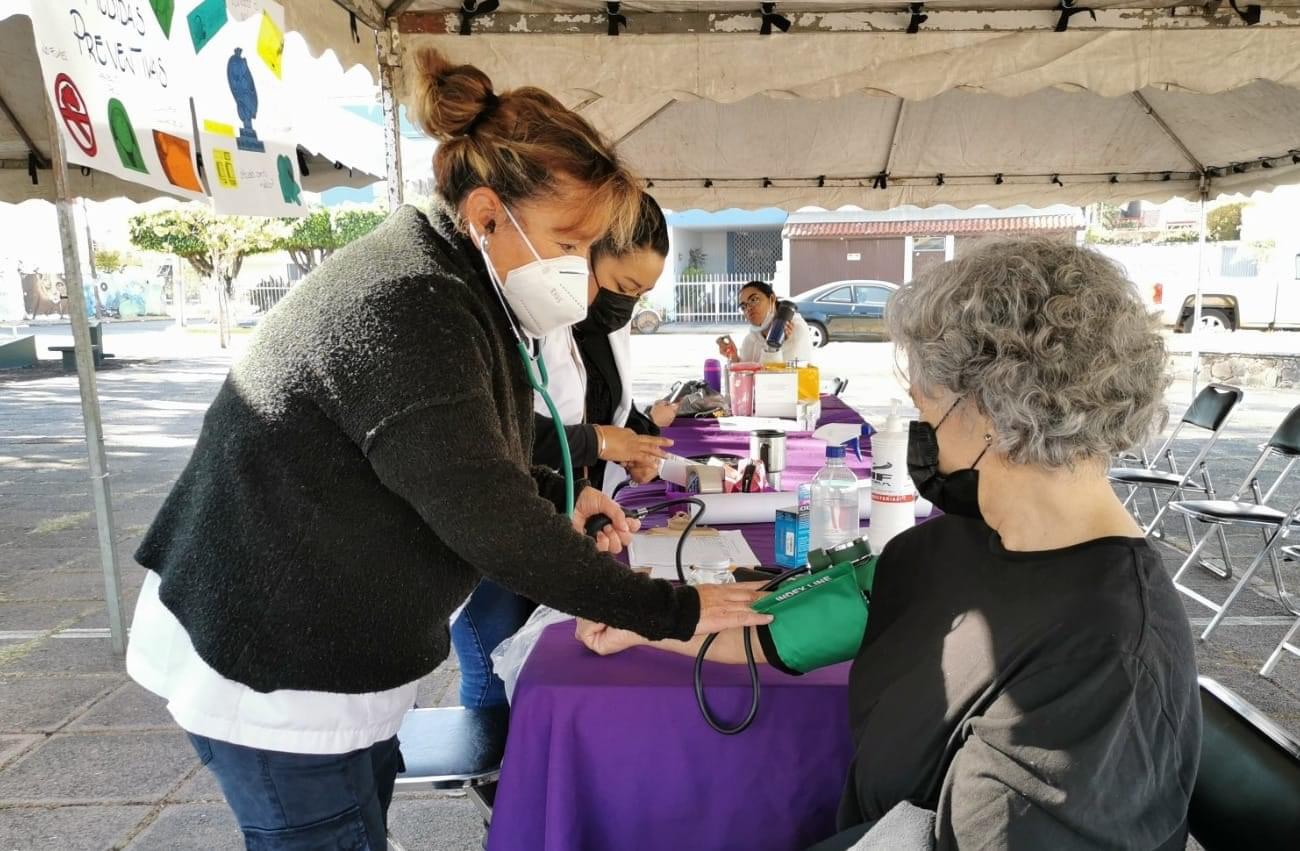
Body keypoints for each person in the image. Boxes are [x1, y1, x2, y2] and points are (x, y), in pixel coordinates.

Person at [124, 49, 770, 851]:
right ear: (488, 212)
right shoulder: (410, 299)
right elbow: (484, 509)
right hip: (274, 656)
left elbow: (474, 434)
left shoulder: (461, 283)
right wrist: (672, 611)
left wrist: (558, 483)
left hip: (336, 646)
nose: (583, 272)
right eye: (570, 239)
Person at [580, 237, 1200, 850]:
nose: (920, 432)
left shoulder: (1109, 658)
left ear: (990, 409)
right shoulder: (947, 547)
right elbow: (784, 623)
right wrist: (644, 619)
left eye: (927, 413)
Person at [451, 191, 678, 709]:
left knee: (524, 665)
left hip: (535, 509)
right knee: (491, 673)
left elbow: (554, 423)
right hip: (490, 530)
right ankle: (499, 778)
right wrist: (600, 442)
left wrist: (572, 487)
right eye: (566, 244)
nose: (624, 304)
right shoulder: (471, 314)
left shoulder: (562, 326)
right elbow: (497, 438)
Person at [718, 280, 813, 364]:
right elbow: (745, 379)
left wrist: (773, 346)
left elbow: (781, 379)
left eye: (754, 300)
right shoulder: (750, 339)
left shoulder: (796, 329)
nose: (748, 308)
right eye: (743, 307)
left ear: (772, 299)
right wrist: (734, 357)